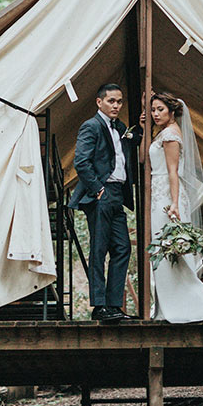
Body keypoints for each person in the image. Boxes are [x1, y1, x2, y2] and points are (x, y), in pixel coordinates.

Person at [140, 92, 203, 323]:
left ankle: (194, 305)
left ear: (172, 112)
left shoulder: (170, 135)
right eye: (153, 110)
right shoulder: (161, 133)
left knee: (170, 250)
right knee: (161, 252)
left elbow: (173, 172)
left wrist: (174, 203)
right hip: (158, 194)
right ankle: (167, 307)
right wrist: (144, 126)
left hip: (167, 195)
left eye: (160, 110)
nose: (155, 114)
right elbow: (144, 159)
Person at [68, 83, 142, 322]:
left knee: (123, 248)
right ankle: (99, 307)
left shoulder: (120, 127)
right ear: (99, 102)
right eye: (111, 101)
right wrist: (98, 188)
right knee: (99, 250)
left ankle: (114, 305)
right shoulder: (91, 126)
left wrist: (140, 127)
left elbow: (129, 147)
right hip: (100, 194)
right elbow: (81, 162)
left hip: (118, 194)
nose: (116, 105)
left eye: (119, 101)